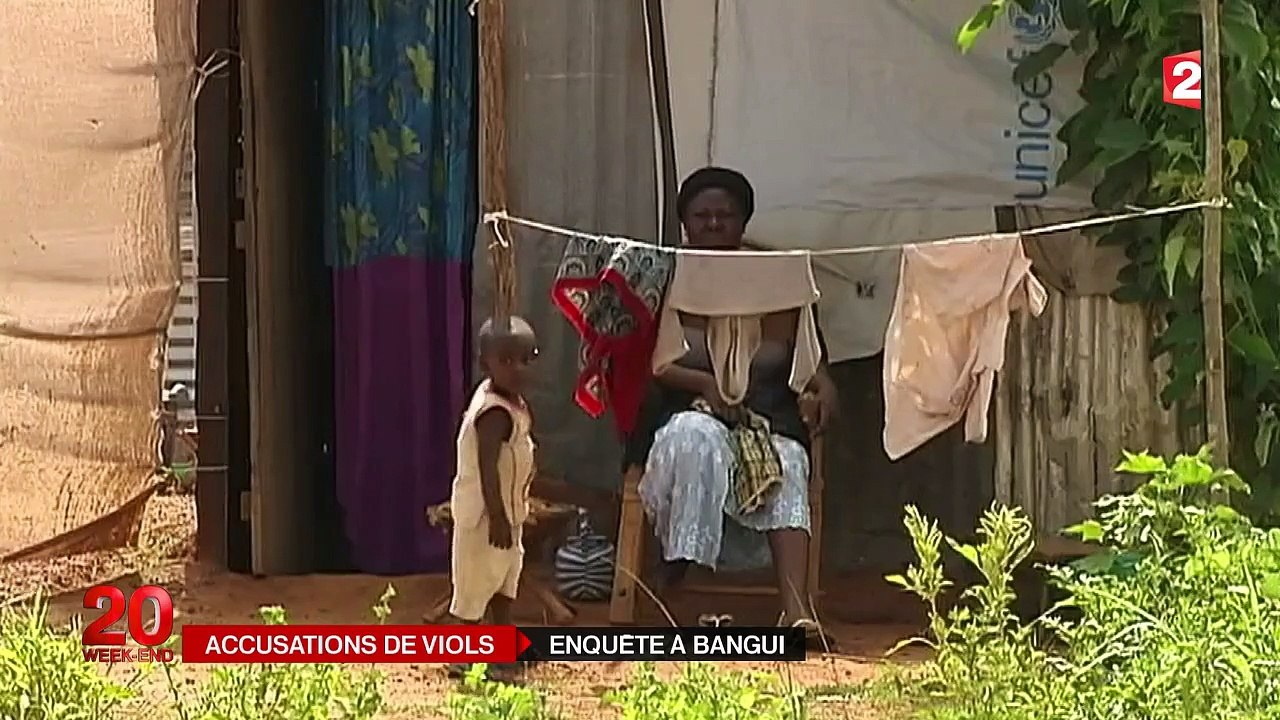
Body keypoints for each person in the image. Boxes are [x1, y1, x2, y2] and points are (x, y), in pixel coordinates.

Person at [626, 166, 839, 645]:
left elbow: (814, 364)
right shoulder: (667, 275)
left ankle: (797, 612)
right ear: (686, 224)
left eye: (726, 215)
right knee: (695, 439)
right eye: (703, 216)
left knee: (787, 461)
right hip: (685, 409)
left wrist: (822, 392)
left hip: (767, 417)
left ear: (744, 222)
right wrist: (705, 384)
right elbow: (642, 365)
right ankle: (678, 591)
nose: (715, 224)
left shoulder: (779, 278)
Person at [447, 315, 539, 680]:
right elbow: (487, 468)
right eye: (506, 361)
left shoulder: (511, 401)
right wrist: (498, 516)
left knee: (504, 585)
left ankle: (503, 654)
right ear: (486, 362)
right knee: (474, 588)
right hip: (485, 518)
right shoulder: (493, 413)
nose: (517, 368)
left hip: (508, 515)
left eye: (526, 359)